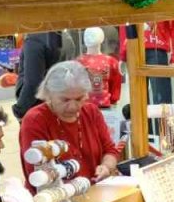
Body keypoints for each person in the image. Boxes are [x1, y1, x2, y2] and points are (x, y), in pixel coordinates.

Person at [18, 61, 121, 192]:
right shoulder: (35, 120)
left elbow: (110, 150)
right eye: (65, 100)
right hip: (53, 199)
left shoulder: (91, 111)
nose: (73, 106)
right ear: (49, 94)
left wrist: (106, 166)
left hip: (94, 193)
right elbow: (37, 173)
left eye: (79, 99)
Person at [13, 31, 75, 121]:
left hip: (36, 109)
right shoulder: (66, 37)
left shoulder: (35, 40)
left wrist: (20, 109)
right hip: (58, 104)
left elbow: (33, 83)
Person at [76, 27, 123, 108]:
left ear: (102, 38)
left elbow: (115, 85)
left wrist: (113, 101)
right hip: (83, 108)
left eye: (93, 35)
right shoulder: (77, 63)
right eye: (87, 35)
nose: (89, 37)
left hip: (105, 107)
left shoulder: (111, 61)